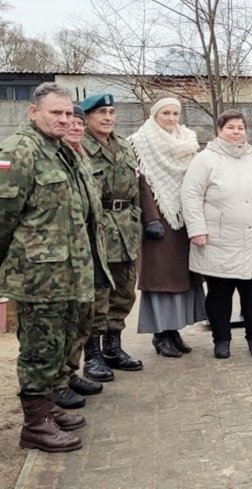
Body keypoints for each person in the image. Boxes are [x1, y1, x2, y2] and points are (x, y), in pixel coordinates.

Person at [0, 83, 111, 452]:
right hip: (39, 276)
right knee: (40, 347)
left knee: (61, 341)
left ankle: (48, 408)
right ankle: (35, 424)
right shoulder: (20, 151)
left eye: (68, 113)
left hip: (68, 270)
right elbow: (4, 216)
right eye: (55, 113)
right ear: (33, 113)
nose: (64, 119)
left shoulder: (59, 150)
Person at [182, 110, 252, 359]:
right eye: (230, 127)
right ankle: (222, 340)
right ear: (219, 130)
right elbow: (191, 196)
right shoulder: (205, 160)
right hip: (219, 241)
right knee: (220, 294)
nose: (236, 132)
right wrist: (197, 229)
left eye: (240, 127)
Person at [128, 96, 206, 357]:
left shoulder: (187, 141)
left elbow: (196, 180)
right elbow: (141, 184)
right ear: (155, 115)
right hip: (158, 222)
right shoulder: (140, 142)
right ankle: (160, 334)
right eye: (165, 114)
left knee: (182, 278)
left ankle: (174, 330)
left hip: (184, 219)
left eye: (175, 113)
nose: (171, 119)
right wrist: (150, 218)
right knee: (161, 279)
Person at [51, 105, 113, 410]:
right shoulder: (55, 158)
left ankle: (68, 373)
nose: (74, 126)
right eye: (70, 122)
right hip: (59, 256)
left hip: (88, 248)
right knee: (63, 319)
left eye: (77, 122)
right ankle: (56, 384)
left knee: (85, 314)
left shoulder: (79, 158)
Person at [81, 93, 144, 380]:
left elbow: (138, 187)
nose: (108, 117)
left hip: (126, 228)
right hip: (98, 227)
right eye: (101, 113)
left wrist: (139, 218)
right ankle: (92, 355)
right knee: (98, 294)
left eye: (111, 112)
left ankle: (113, 347)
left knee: (124, 291)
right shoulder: (79, 146)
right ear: (87, 117)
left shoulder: (127, 146)